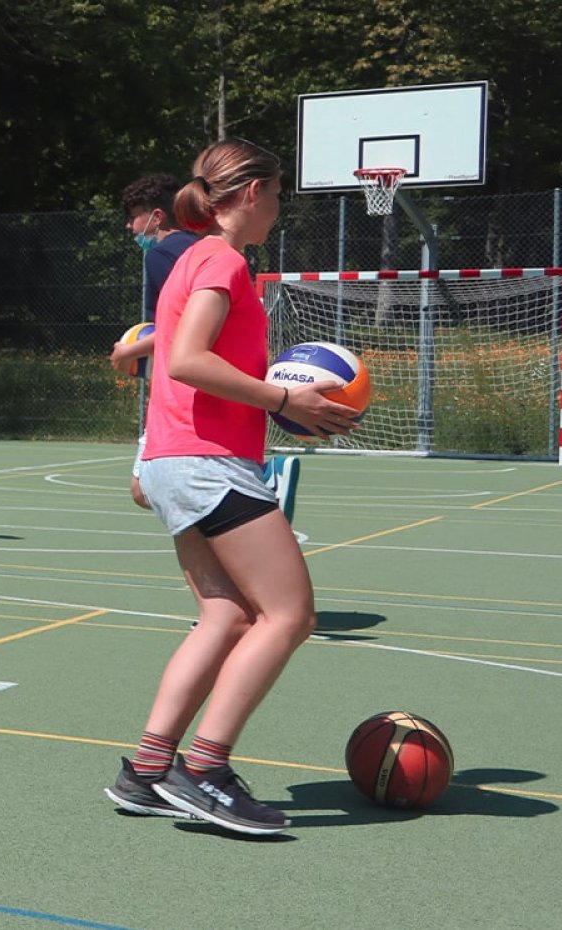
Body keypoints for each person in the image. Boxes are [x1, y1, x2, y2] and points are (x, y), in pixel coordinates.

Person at [102, 139, 358, 836]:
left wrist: (274, 400)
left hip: (177, 458)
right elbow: (186, 360)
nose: (279, 209)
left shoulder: (193, 258)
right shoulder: (220, 259)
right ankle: (206, 772)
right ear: (251, 193)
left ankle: (147, 772)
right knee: (289, 614)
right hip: (204, 461)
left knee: (226, 616)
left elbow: (173, 354)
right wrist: (281, 399)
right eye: (277, 195)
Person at [115, 175, 299, 519]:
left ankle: (265, 485)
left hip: (187, 416)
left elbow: (180, 334)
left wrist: (131, 351)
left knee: (146, 486)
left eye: (133, 215)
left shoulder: (169, 256)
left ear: (156, 216)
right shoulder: (207, 247)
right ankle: (262, 484)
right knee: (143, 489)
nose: (129, 225)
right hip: (199, 415)